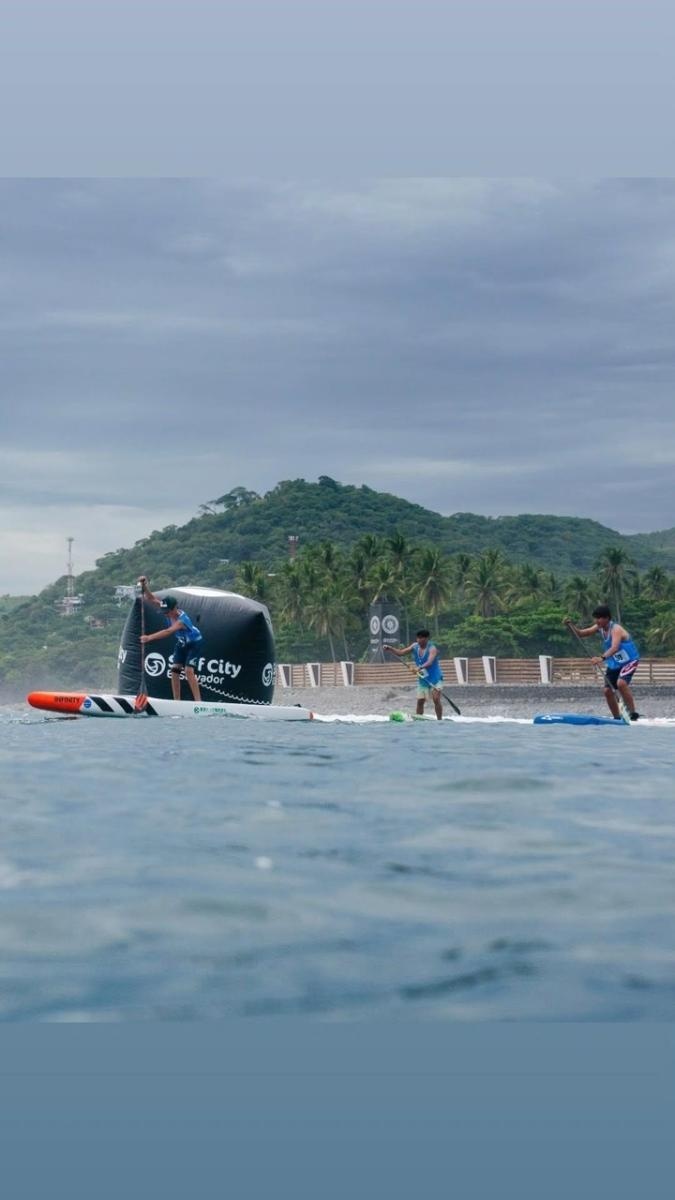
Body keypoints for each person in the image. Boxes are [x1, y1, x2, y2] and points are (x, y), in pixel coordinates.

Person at [566, 605, 641, 720]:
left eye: (599, 618)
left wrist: (601, 658)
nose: (597, 621)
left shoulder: (616, 629)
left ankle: (633, 713)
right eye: (595, 618)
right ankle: (617, 718)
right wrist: (571, 626)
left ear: (607, 618)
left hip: (629, 661)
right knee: (607, 691)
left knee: (621, 683)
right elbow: (581, 633)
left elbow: (615, 647)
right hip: (615, 663)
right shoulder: (599, 627)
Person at [137, 576, 203, 701]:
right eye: (164, 611)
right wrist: (144, 585)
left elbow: (168, 632)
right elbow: (151, 598)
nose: (165, 614)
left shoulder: (182, 621)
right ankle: (176, 701)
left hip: (194, 644)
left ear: (174, 608)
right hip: (182, 643)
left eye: (167, 612)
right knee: (174, 670)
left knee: (189, 671)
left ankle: (198, 702)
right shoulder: (166, 608)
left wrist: (149, 637)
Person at [385, 629, 444, 720]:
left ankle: (439, 720)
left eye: (422, 639)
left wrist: (419, 668)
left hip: (435, 678)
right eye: (418, 638)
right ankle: (418, 719)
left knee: (436, 699)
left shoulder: (432, 648)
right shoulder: (414, 646)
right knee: (420, 701)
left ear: (427, 639)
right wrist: (390, 648)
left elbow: (429, 662)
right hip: (423, 677)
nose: (419, 640)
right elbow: (401, 653)